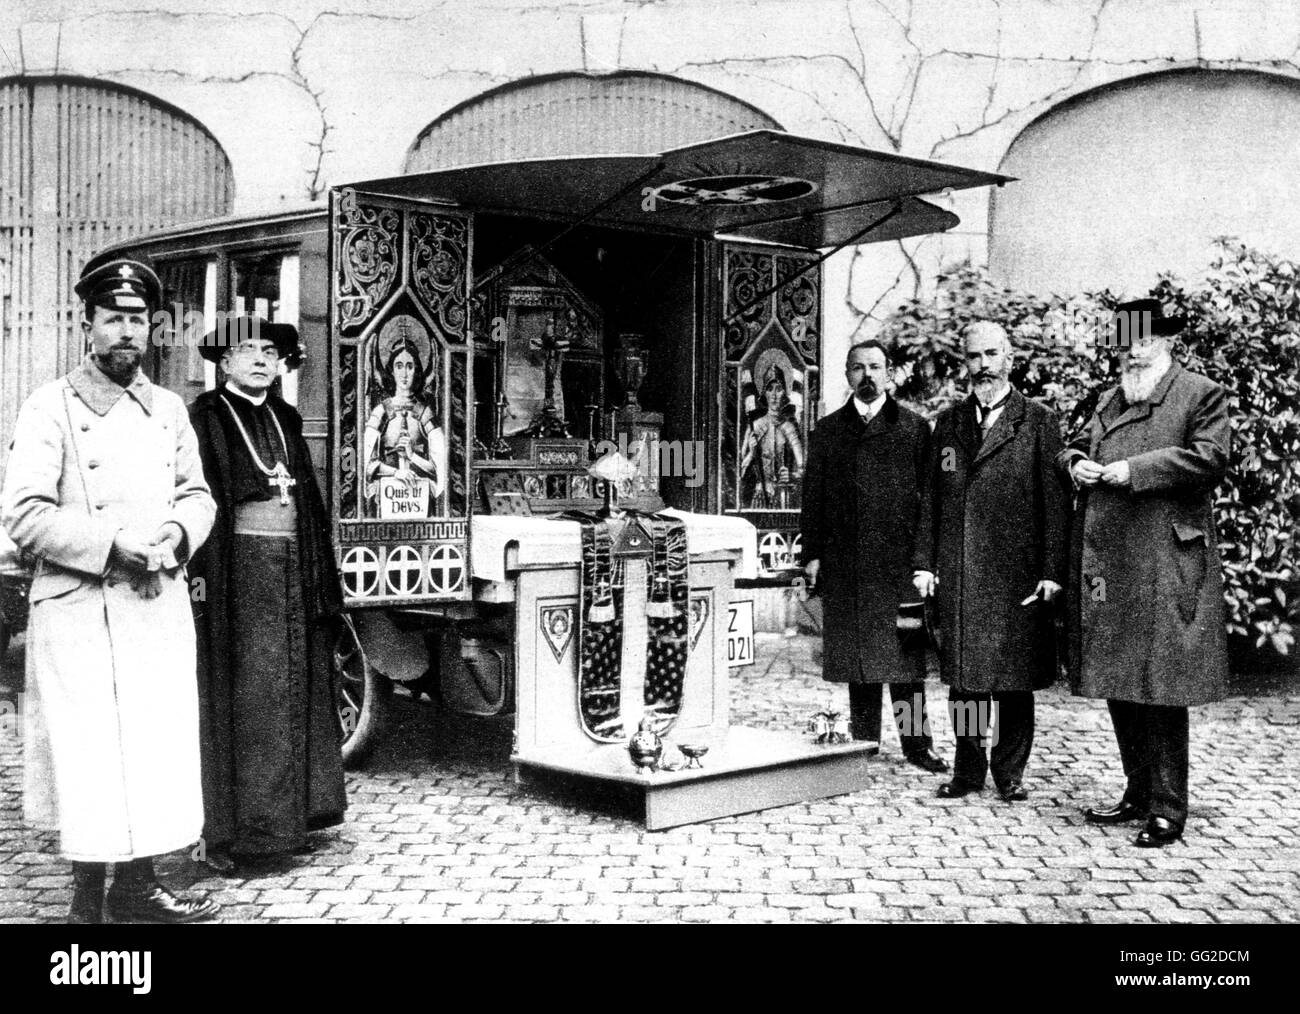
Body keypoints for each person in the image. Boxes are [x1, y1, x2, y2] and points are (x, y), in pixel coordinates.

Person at [1, 257, 219, 923]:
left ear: (151, 328)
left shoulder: (168, 409)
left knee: (152, 746)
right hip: (80, 609)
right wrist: (110, 546)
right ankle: (85, 902)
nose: (126, 331)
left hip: (155, 603)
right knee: (92, 751)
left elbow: (198, 495)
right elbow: (26, 514)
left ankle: (138, 888)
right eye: (112, 319)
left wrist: (178, 535)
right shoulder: (51, 405)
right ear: (88, 325)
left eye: (136, 320)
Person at [1057, 299, 1230, 847]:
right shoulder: (1111, 396)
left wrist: (1134, 470)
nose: (1133, 350)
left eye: (1145, 339)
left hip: (1162, 558)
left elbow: (1209, 459)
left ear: (1167, 342)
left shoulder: (1199, 393)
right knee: (1119, 679)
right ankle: (1136, 792)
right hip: (1111, 558)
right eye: (1126, 339)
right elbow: (1076, 445)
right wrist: (1073, 463)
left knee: (1160, 686)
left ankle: (1167, 808)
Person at [189, 316, 346, 873]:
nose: (260, 358)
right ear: (224, 362)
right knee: (249, 697)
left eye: (268, 350)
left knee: (292, 689)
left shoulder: (285, 417)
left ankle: (290, 823)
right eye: (246, 349)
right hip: (237, 572)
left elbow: (304, 499)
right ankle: (234, 835)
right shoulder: (205, 417)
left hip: (290, 565)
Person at [913, 322, 1069, 801]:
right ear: (965, 362)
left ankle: (1010, 773)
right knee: (965, 681)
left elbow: (1055, 503)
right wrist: (924, 563)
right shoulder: (950, 422)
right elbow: (932, 500)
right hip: (960, 571)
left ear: (1009, 357)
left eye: (991, 354)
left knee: (1013, 681)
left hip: (1016, 572)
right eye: (974, 356)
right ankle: (966, 771)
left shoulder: (1038, 420)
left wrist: (1051, 571)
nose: (983, 365)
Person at [801, 340, 948, 773]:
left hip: (898, 564)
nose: (867, 376)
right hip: (846, 563)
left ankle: (917, 747)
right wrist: (812, 553)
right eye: (858, 368)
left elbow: (930, 501)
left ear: (889, 374)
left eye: (875, 367)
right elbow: (814, 499)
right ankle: (862, 743)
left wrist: (924, 561)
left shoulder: (914, 428)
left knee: (905, 663)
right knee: (859, 660)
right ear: (847, 374)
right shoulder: (827, 430)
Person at [364, 333, 445, 514]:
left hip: (419, 499)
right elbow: (367, 464)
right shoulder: (381, 411)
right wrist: (396, 473)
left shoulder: (424, 413)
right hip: (385, 498)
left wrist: (412, 456)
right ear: (391, 370)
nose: (405, 373)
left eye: (410, 366)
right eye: (399, 366)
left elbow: (439, 468)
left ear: (417, 370)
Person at [741, 363, 804, 509]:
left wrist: (792, 475)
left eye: (779, 389)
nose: (774, 395)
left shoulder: (789, 428)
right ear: (764, 393)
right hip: (760, 496)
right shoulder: (756, 425)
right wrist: (751, 453)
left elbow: (803, 469)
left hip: (783, 497)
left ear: (784, 393)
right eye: (770, 389)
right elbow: (740, 470)